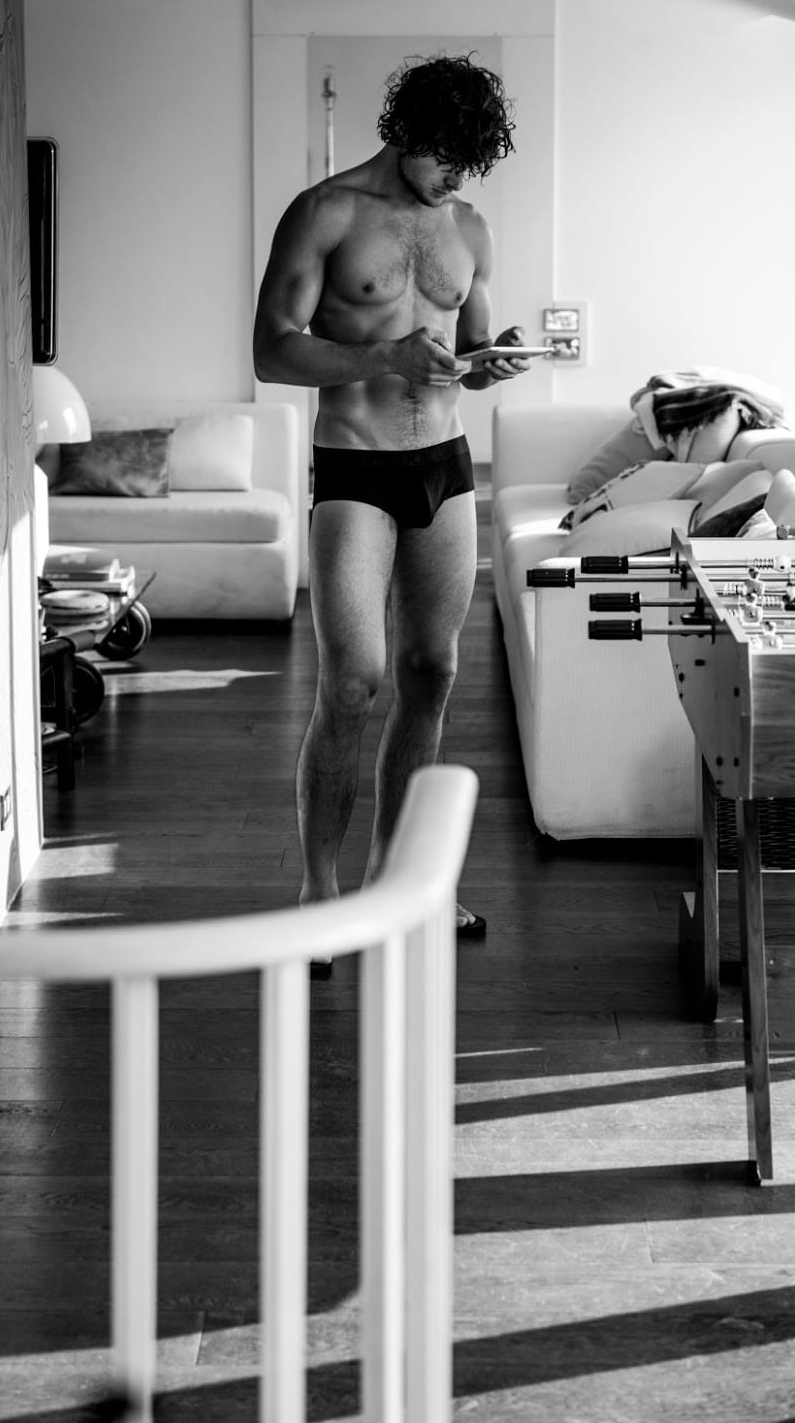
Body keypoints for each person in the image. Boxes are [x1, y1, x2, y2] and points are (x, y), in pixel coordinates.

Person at [253, 53, 529, 964]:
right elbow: (271, 351)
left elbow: (469, 350)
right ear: (405, 132)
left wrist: (492, 358)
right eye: (446, 156)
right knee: (353, 682)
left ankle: (397, 883)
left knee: (431, 671)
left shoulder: (468, 226)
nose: (456, 177)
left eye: (470, 162)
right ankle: (318, 894)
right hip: (355, 466)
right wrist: (381, 358)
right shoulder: (324, 212)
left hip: (445, 464)